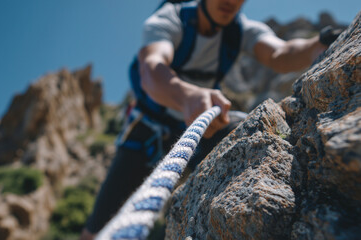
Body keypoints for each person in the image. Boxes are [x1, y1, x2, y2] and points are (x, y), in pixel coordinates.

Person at [80, 0, 341, 239]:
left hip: (203, 123)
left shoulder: (241, 29)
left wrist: (318, 44)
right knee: (99, 228)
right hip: (147, 129)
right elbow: (151, 68)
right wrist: (187, 97)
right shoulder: (170, 19)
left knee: (248, 140)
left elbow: (280, 54)